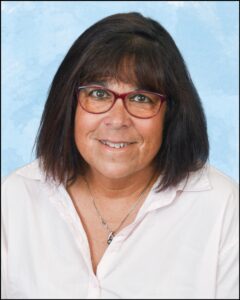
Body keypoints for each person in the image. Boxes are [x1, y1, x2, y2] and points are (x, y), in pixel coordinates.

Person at [1, 12, 238, 299]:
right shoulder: (16, 197)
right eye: (99, 94)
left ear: (171, 114)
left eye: (141, 98)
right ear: (69, 104)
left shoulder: (223, 208)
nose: (117, 119)